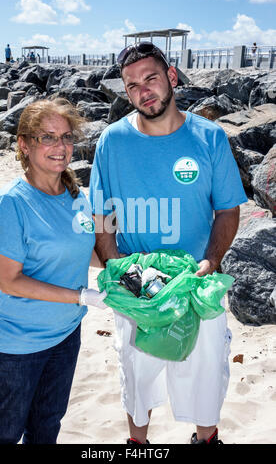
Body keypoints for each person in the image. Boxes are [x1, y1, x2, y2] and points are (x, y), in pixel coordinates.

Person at [89, 42, 248, 445]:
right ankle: (138, 445)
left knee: (206, 374)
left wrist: (211, 262)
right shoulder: (112, 141)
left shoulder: (209, 137)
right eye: (132, 86)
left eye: (151, 79)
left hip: (196, 281)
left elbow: (228, 210)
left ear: (172, 77)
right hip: (137, 285)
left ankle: (206, 439)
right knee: (136, 377)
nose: (144, 91)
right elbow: (102, 215)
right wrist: (117, 269)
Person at [0, 97, 106, 444]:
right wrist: (81, 296)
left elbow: (84, 252)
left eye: (65, 137)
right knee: (4, 432)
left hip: (65, 334)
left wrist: (126, 266)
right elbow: (10, 281)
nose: (60, 146)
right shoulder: (11, 203)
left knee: (46, 427)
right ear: (24, 145)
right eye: (47, 137)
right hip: (15, 344)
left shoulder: (77, 196)